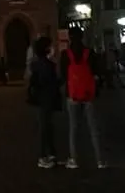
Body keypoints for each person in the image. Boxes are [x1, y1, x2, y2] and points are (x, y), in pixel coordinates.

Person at [61, 28, 105, 168]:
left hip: (72, 95)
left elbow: (62, 76)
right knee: (93, 128)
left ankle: (74, 159)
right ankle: (100, 160)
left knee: (74, 128)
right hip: (88, 94)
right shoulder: (89, 53)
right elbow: (98, 72)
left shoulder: (65, 54)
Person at [27, 36, 62, 169]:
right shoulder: (45, 65)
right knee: (45, 127)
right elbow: (48, 82)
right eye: (50, 46)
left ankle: (51, 154)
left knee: (48, 127)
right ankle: (43, 156)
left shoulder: (38, 64)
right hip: (45, 99)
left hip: (43, 99)